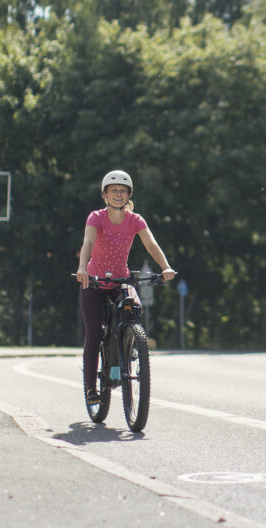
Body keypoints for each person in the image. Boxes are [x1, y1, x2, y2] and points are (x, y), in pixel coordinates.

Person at [75, 170, 175, 412]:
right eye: (113, 190)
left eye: (122, 191)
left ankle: (128, 345)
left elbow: (151, 243)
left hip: (121, 280)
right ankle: (91, 389)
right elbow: (88, 242)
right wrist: (82, 268)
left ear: (129, 195)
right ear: (105, 194)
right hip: (95, 283)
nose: (118, 194)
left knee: (135, 307)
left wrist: (166, 267)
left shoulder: (135, 220)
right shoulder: (96, 218)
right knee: (94, 334)